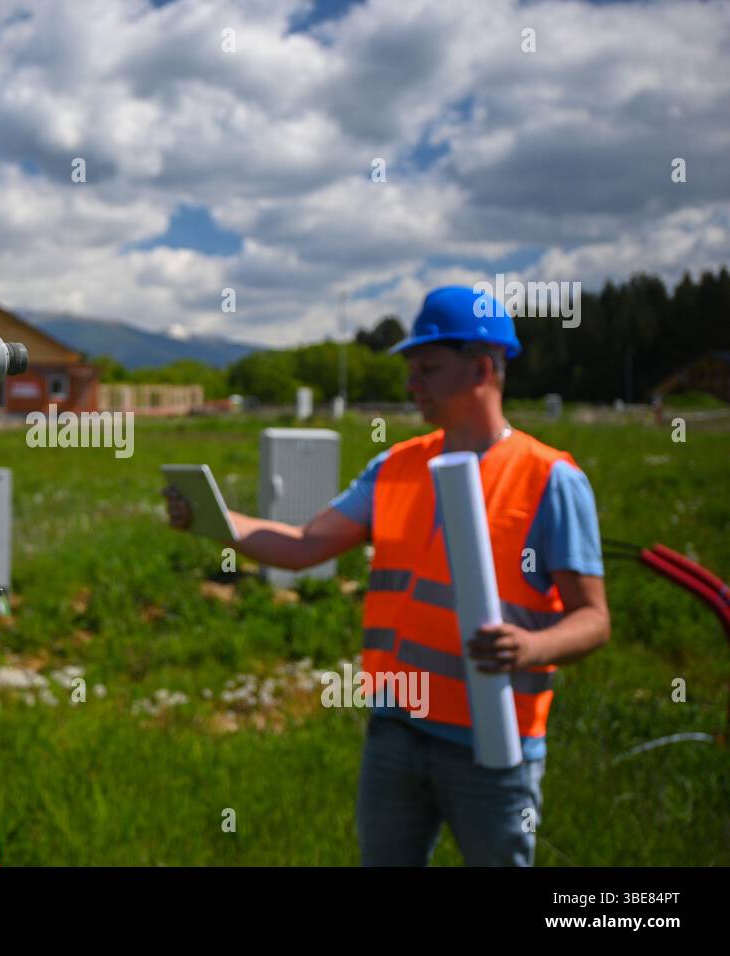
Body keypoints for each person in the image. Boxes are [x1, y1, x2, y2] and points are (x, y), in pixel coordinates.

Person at [162, 285, 609, 866]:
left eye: (427, 368)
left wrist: (530, 646)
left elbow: (593, 619)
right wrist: (216, 523)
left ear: (481, 368)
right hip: (396, 731)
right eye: (411, 369)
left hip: (494, 744)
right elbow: (305, 546)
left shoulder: (551, 480)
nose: (410, 383)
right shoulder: (395, 467)